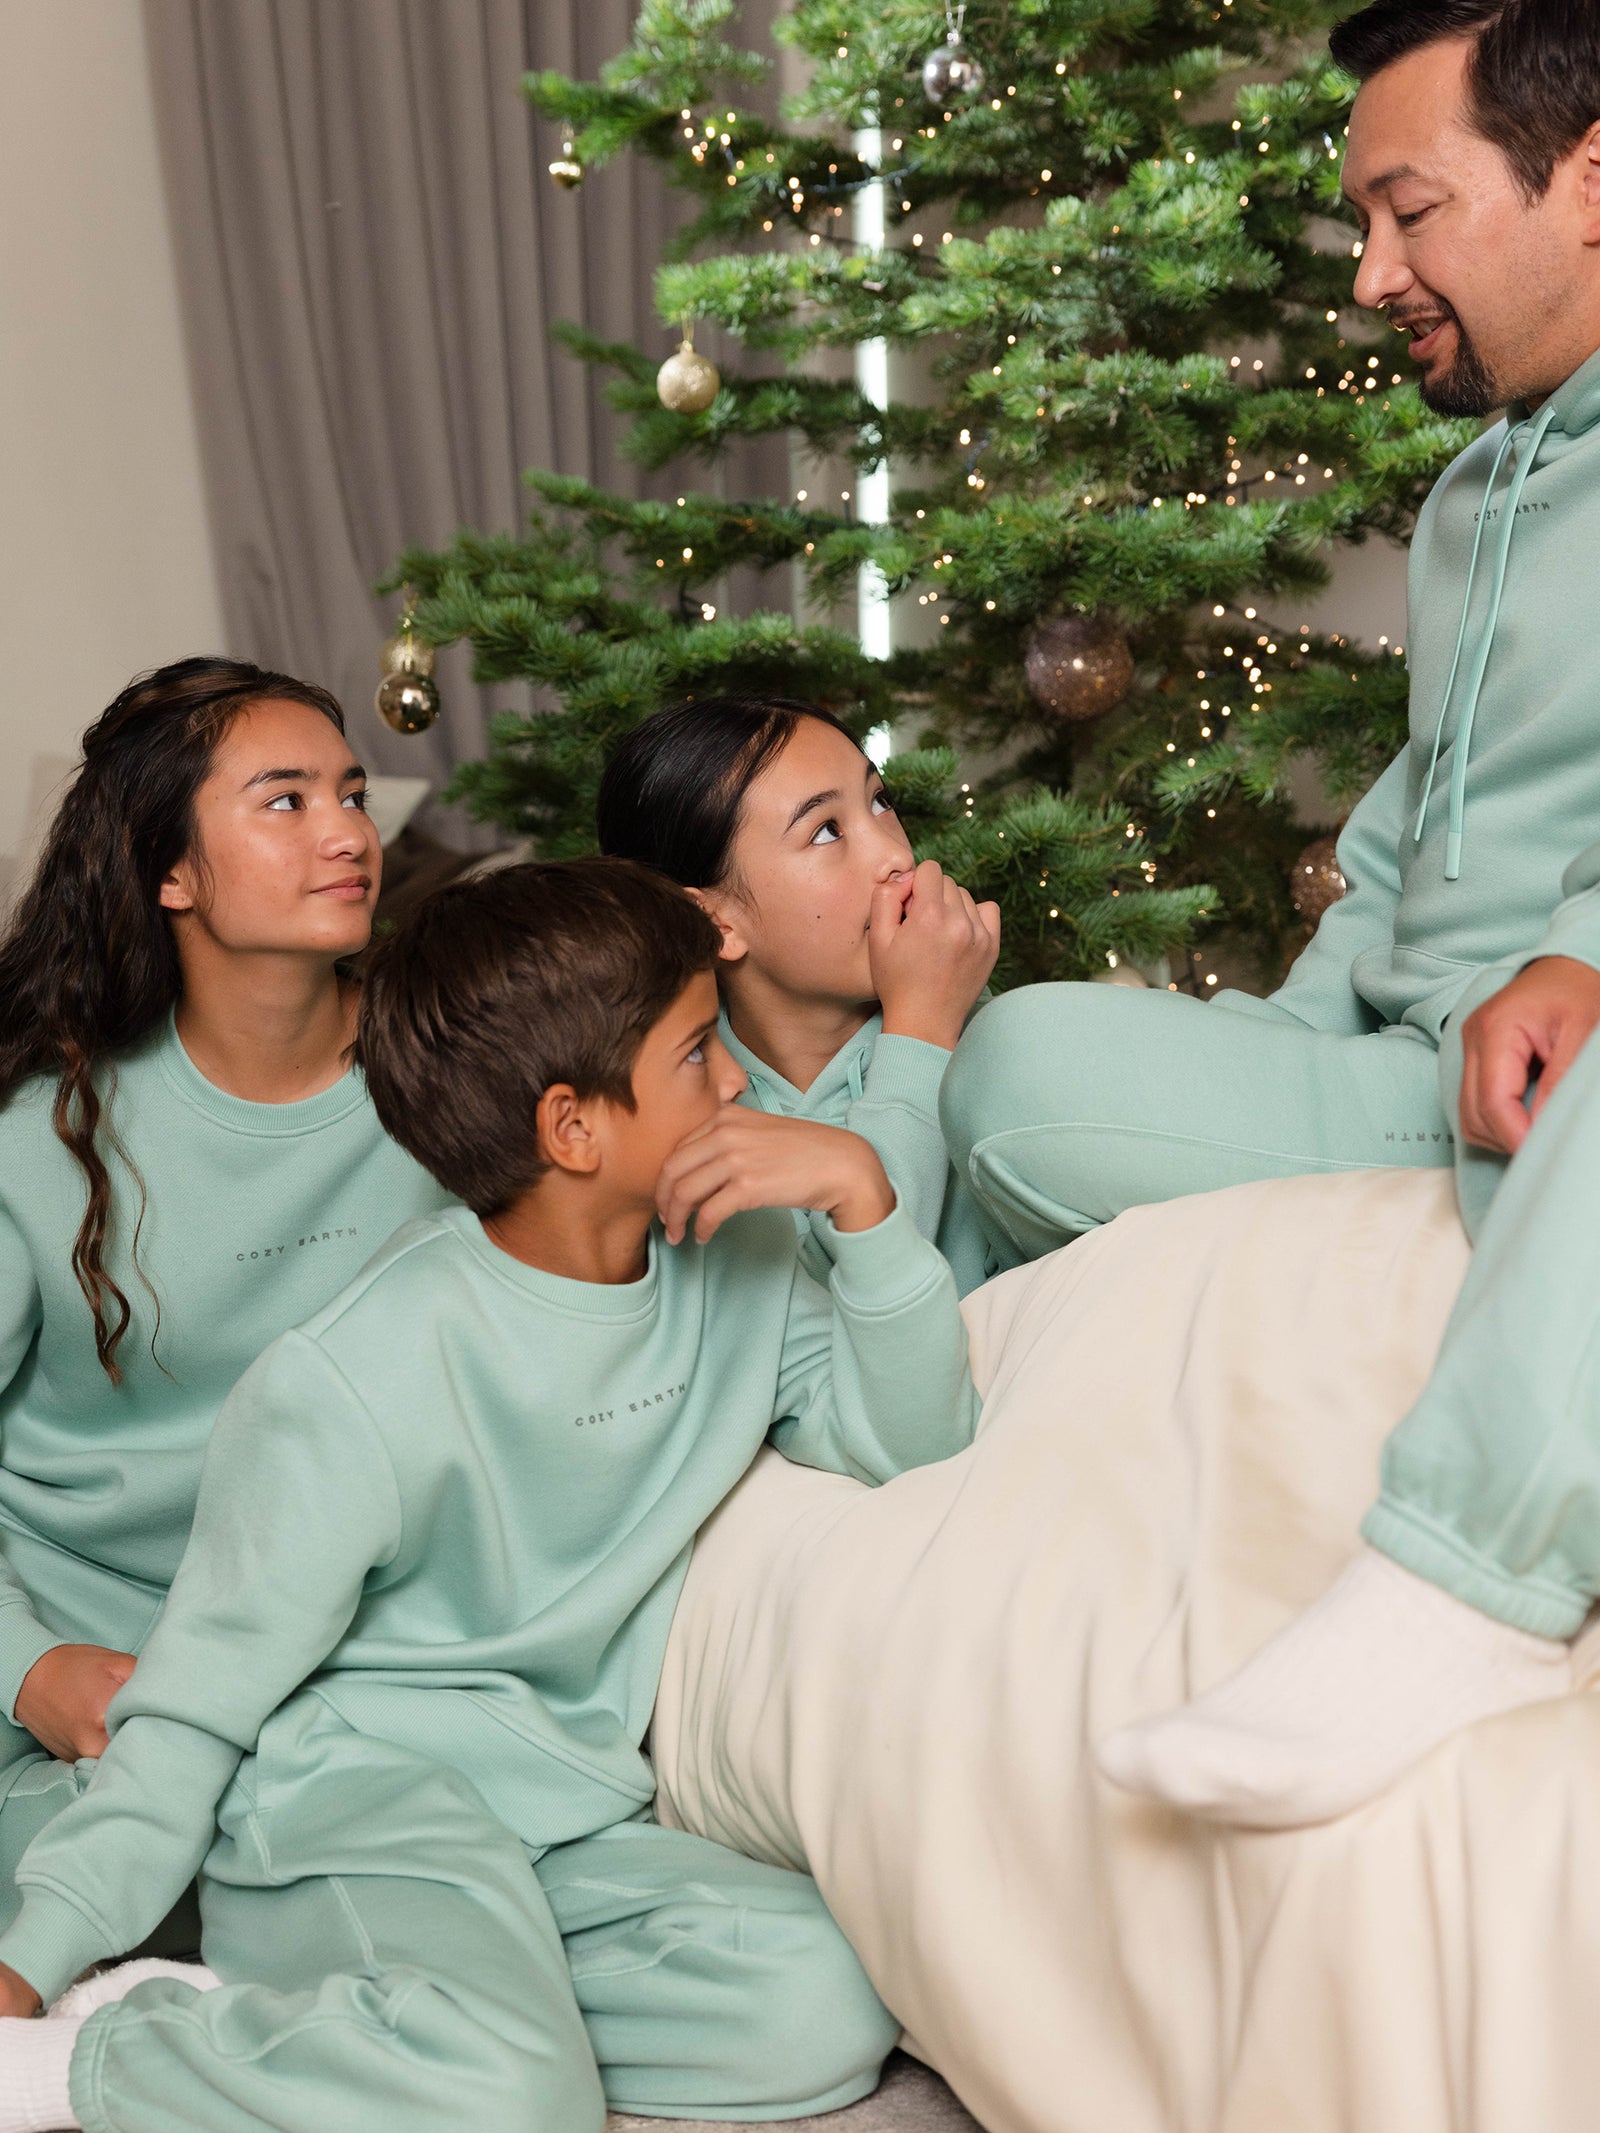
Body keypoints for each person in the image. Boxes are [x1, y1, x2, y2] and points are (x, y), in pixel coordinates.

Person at [0, 858, 979, 2133]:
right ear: (574, 1127)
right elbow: (195, 1702)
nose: (738, 1083)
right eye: (698, 1055)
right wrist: (31, 1956)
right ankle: (101, 2053)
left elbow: (909, 1439)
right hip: (344, 1806)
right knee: (511, 2104)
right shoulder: (351, 1380)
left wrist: (862, 1199)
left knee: (815, 2011)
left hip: (562, 1811)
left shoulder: (734, 1266)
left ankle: (383, 2032)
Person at [1087, 0, 1600, 1827]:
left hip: (1561, 1049)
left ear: (1593, 180)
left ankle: (1461, 1580)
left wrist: (1585, 951)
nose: (1372, 274)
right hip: (1411, 1061)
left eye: (1410, 211)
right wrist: (1305, 1029)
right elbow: (1400, 824)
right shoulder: (1476, 487)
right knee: (1019, 1066)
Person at [0, 658, 451, 1936]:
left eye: (352, 795)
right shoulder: (41, 1132)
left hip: (342, 1665)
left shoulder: (452, 1079)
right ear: (169, 872)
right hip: (89, 1670)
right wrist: (27, 1670)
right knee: (124, 1894)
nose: (348, 832)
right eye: (286, 800)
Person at [598, 692, 1007, 1293]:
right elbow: (857, 1308)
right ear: (715, 923)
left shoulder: (991, 1042)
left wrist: (927, 1025)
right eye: (825, 832)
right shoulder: (684, 1117)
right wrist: (920, 1032)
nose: (895, 855)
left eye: (880, 800)